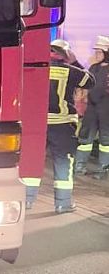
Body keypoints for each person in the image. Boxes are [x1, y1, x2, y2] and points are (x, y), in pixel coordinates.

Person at [24, 42, 93, 212]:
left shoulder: (35, 68)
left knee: (32, 159)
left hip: (37, 123)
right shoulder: (71, 71)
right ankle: (63, 203)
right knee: (63, 161)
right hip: (63, 124)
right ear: (65, 54)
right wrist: (75, 62)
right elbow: (90, 81)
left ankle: (27, 200)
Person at [76, 35, 109, 178]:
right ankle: (79, 166)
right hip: (92, 108)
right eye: (96, 52)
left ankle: (103, 168)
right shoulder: (93, 67)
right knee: (85, 138)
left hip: (106, 108)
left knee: (105, 140)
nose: (96, 54)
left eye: (99, 52)